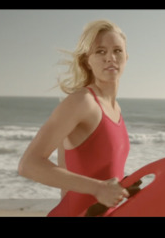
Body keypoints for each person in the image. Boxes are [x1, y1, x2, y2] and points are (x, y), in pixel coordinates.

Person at [18, 19, 131, 216]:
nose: (110, 58)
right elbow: (29, 164)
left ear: (126, 57)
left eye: (117, 50)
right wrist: (98, 188)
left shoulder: (115, 108)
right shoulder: (82, 102)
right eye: (100, 51)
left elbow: (97, 173)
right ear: (88, 60)